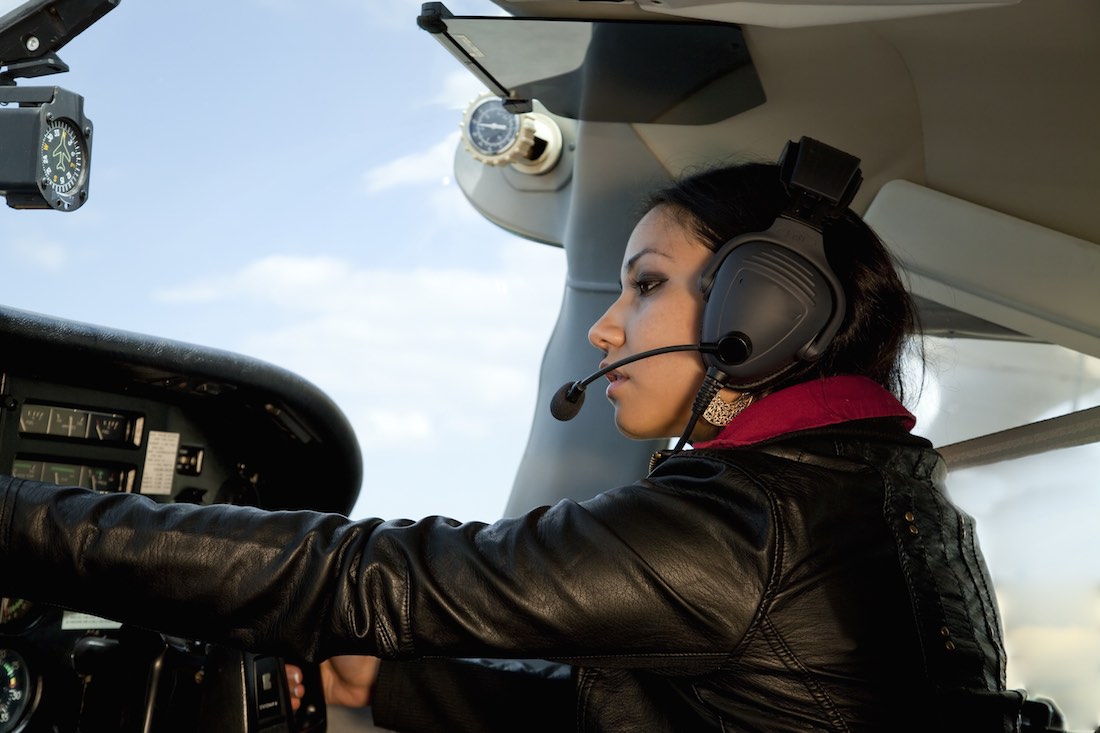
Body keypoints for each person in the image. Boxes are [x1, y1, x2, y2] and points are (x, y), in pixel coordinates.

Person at [0, 143, 1023, 732]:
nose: (604, 326)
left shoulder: (747, 524)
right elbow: (653, 712)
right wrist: (386, 678)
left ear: (765, 304)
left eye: (648, 282)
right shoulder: (877, 496)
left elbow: (355, 576)